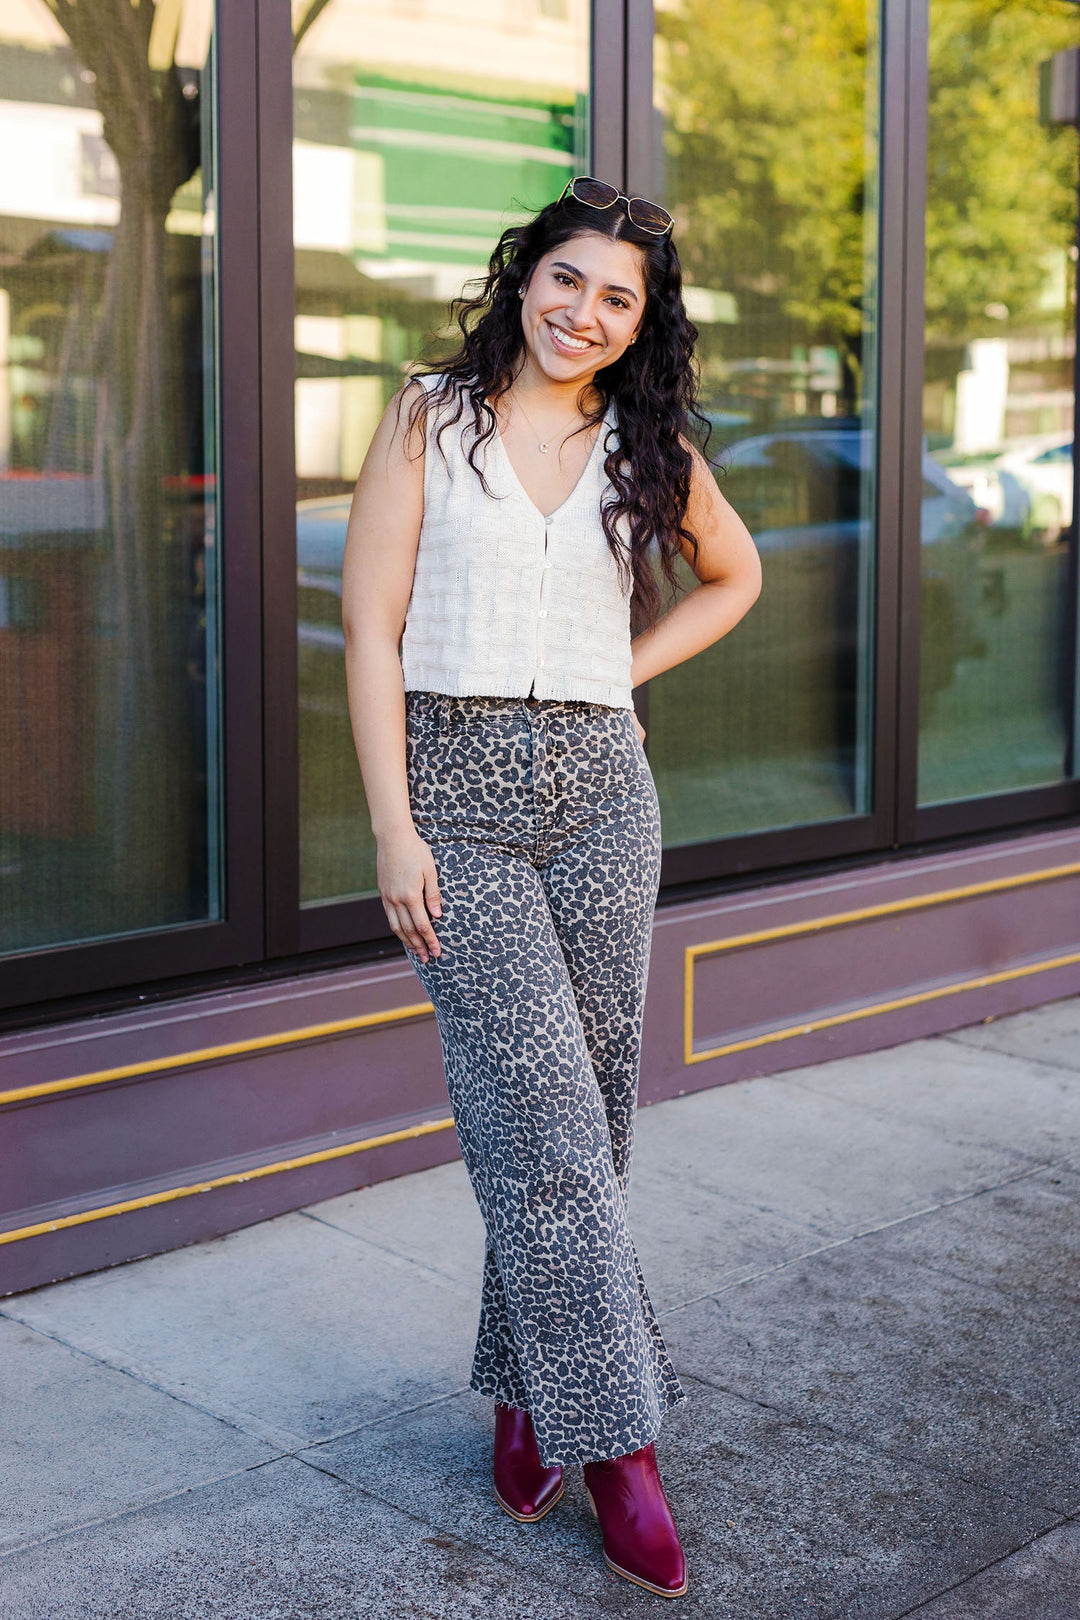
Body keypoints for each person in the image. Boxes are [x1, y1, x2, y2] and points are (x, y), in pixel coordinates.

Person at [341, 176, 761, 1600]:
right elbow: (368, 630)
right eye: (569, 279)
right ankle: (623, 1449)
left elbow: (734, 576)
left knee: (582, 1125)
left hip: (603, 794)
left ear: (643, 324)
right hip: (455, 788)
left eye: (618, 297)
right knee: (544, 1123)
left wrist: (615, 674)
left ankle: (531, 1393)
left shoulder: (646, 441)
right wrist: (394, 830)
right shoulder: (425, 416)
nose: (586, 312)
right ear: (525, 276)